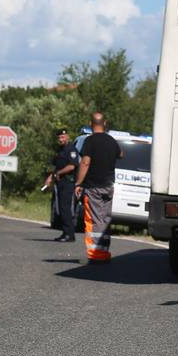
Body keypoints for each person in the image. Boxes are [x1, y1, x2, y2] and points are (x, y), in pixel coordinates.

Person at [74, 112, 123, 263]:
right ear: (105, 123)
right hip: (108, 186)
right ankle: (104, 251)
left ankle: (95, 254)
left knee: (93, 219)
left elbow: (85, 162)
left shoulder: (90, 141)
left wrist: (78, 183)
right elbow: (121, 154)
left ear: (91, 123)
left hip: (93, 186)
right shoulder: (111, 140)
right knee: (105, 218)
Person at [45, 128, 79, 242]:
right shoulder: (60, 150)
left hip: (68, 182)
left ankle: (70, 234)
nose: (61, 139)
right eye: (59, 137)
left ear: (68, 137)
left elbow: (72, 166)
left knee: (66, 209)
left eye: (63, 137)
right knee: (61, 208)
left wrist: (58, 173)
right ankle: (65, 233)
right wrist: (51, 176)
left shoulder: (71, 149)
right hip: (60, 182)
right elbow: (57, 166)